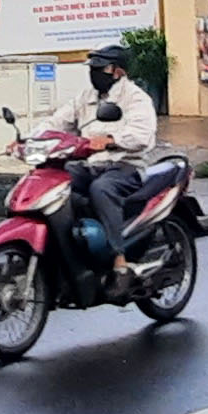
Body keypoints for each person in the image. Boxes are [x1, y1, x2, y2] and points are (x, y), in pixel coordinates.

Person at [37, 43, 160, 286]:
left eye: (100, 69)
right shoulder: (86, 98)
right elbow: (57, 122)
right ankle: (70, 249)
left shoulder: (136, 98)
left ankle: (119, 260)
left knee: (101, 189)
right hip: (91, 163)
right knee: (56, 181)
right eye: (92, 68)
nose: (94, 74)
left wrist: (112, 140)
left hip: (126, 166)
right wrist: (30, 139)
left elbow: (142, 135)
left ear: (118, 72)